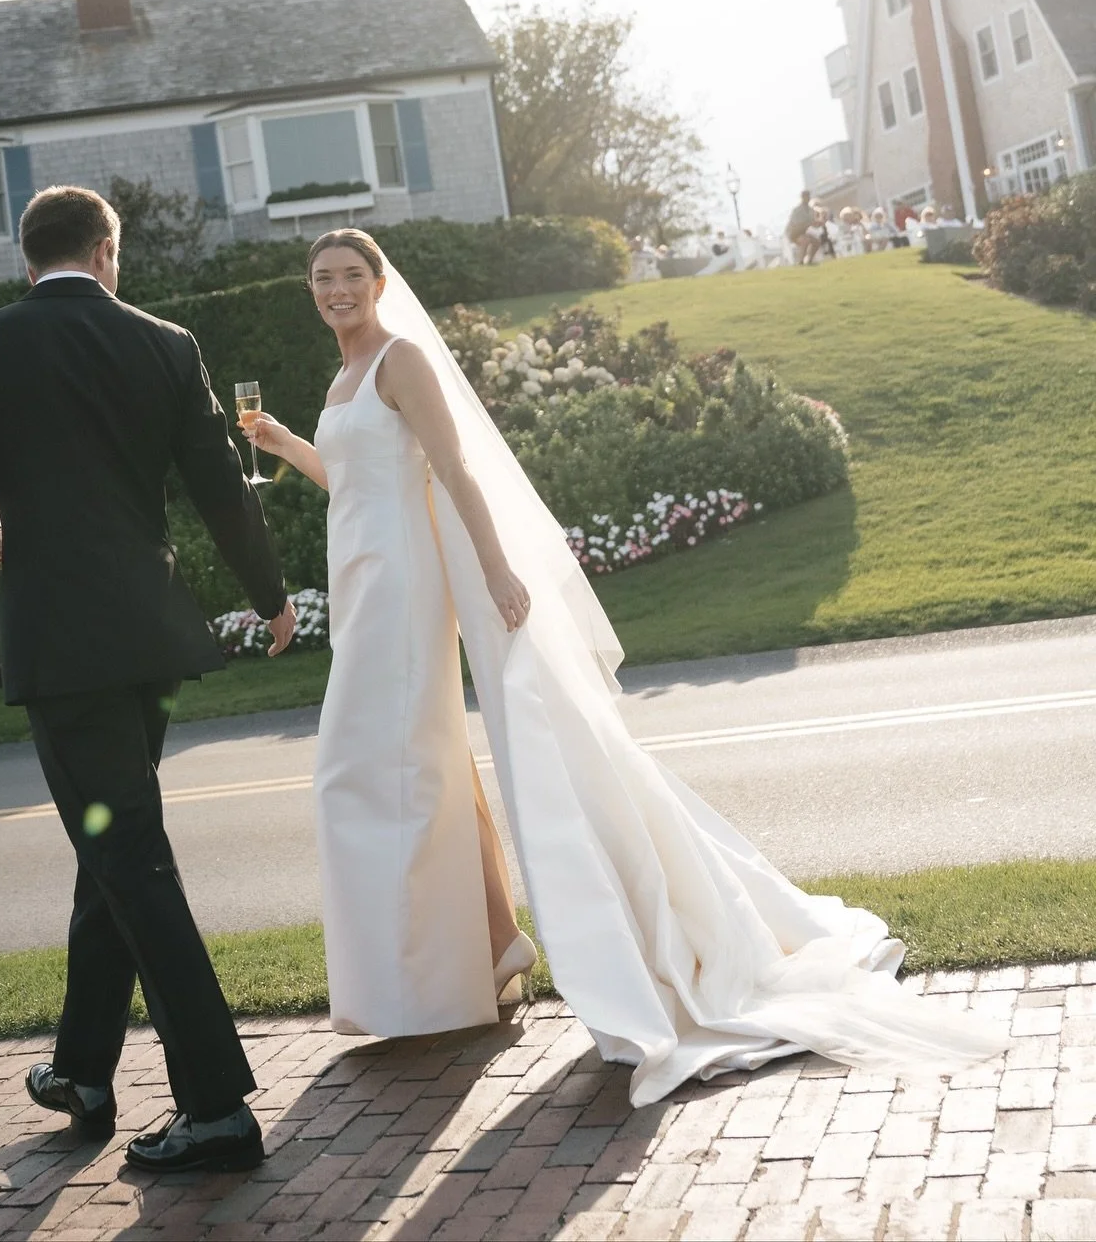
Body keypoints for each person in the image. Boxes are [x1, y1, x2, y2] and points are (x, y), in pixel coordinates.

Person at [248, 229, 1006, 1105]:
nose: (336, 290)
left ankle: (428, 980)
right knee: (409, 774)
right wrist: (285, 445)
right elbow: (358, 484)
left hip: (406, 593)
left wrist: (496, 569)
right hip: (362, 587)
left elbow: (453, 470)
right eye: (322, 279)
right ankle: (475, 961)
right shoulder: (343, 377)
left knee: (365, 773)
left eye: (351, 276)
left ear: (379, 283)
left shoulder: (402, 358)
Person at [0, 185, 295, 1174]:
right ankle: (82, 1069)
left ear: (26, 258)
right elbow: (220, 485)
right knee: (112, 844)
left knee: (129, 855)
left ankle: (216, 1106)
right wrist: (270, 594)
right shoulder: (166, 343)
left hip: (64, 648)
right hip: (148, 644)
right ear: (106, 251)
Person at [784, 189, 816, 261]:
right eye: (805, 196)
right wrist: (808, 224)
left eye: (808, 196)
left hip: (803, 232)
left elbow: (812, 223)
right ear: (802, 197)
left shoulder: (811, 210)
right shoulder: (797, 210)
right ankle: (800, 262)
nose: (807, 197)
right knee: (805, 241)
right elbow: (796, 225)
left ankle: (809, 260)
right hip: (794, 233)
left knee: (816, 241)